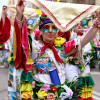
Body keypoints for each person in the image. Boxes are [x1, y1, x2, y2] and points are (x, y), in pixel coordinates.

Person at [7, 0, 100, 99]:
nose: (50, 31)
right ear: (41, 32)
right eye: (46, 28)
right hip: (40, 96)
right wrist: (20, 16)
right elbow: (22, 38)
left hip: (61, 95)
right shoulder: (34, 46)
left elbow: (82, 41)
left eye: (54, 28)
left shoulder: (63, 47)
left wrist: (97, 23)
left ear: (57, 32)